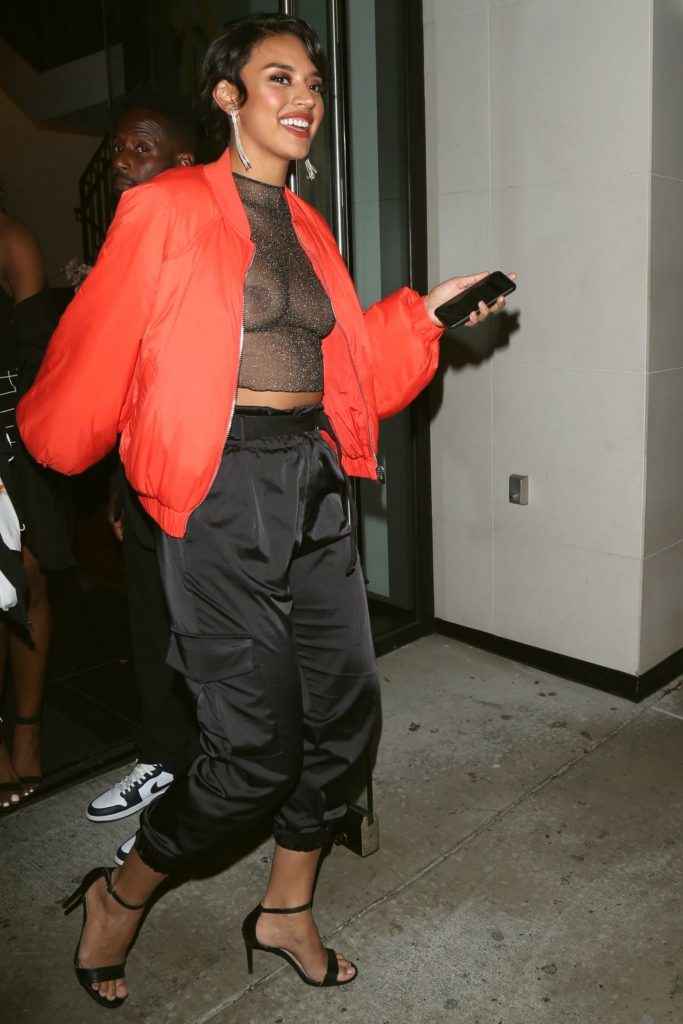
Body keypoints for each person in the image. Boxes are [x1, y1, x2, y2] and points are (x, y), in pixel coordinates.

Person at [18, 13, 510, 1007]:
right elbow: (99, 344)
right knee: (250, 755)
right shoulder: (164, 208)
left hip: (312, 475)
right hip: (220, 483)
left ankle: (286, 908)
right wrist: (46, 450)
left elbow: (347, 374)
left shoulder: (309, 226)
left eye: (314, 84)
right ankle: (122, 891)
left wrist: (425, 313)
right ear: (227, 96)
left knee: (345, 716)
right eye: (277, 78)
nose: (304, 99)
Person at [85, 102, 198, 866]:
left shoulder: (201, 241)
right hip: (143, 472)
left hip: (205, 481)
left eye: (142, 147)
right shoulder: (129, 242)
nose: (123, 158)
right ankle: (162, 758)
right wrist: (120, 485)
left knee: (206, 643)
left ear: (183, 165)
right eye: (120, 146)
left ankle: (198, 799)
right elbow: (123, 379)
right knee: (150, 628)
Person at [0, 207, 73, 809]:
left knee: (28, 578)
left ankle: (27, 730)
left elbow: (39, 359)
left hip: (14, 434)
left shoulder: (10, 239)